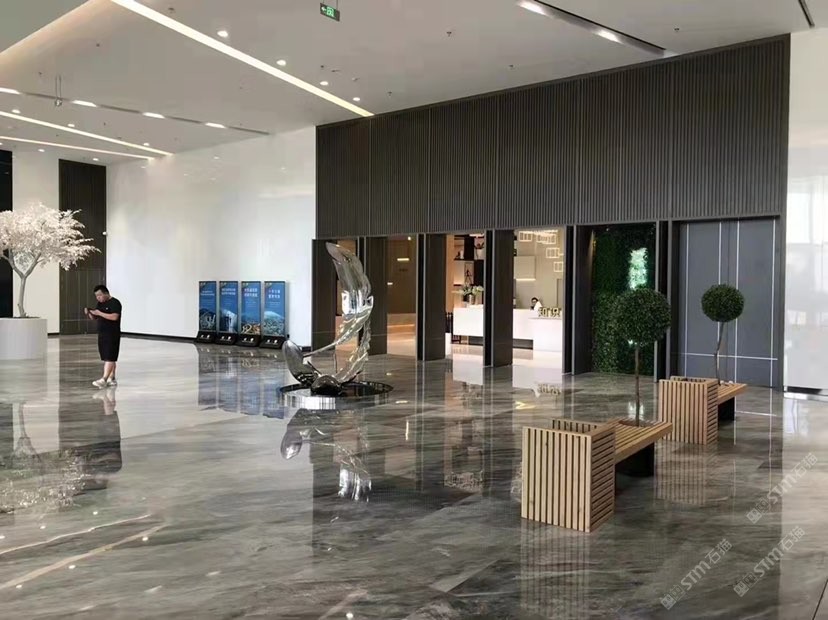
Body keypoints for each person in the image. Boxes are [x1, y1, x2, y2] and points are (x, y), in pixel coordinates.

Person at [85, 285, 122, 388]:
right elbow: (95, 317)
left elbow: (114, 317)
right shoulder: (100, 304)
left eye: (100, 295)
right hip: (102, 333)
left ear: (106, 293)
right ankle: (111, 378)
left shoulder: (115, 303)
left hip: (112, 334)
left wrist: (100, 313)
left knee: (110, 357)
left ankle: (104, 379)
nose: (98, 298)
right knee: (108, 357)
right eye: (96, 296)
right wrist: (90, 313)